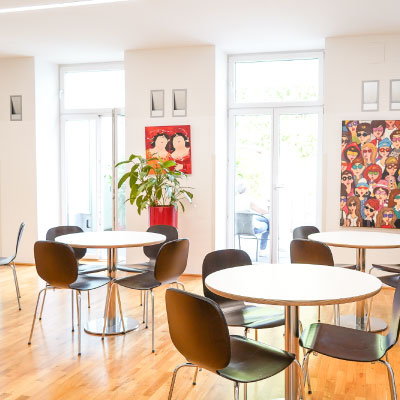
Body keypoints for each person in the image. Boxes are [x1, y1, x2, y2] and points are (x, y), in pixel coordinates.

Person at [235, 182, 269, 255]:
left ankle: (264, 249)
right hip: (251, 229)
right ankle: (263, 249)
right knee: (268, 222)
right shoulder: (248, 199)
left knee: (265, 219)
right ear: (246, 190)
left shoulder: (234, 199)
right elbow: (261, 211)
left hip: (237, 228)